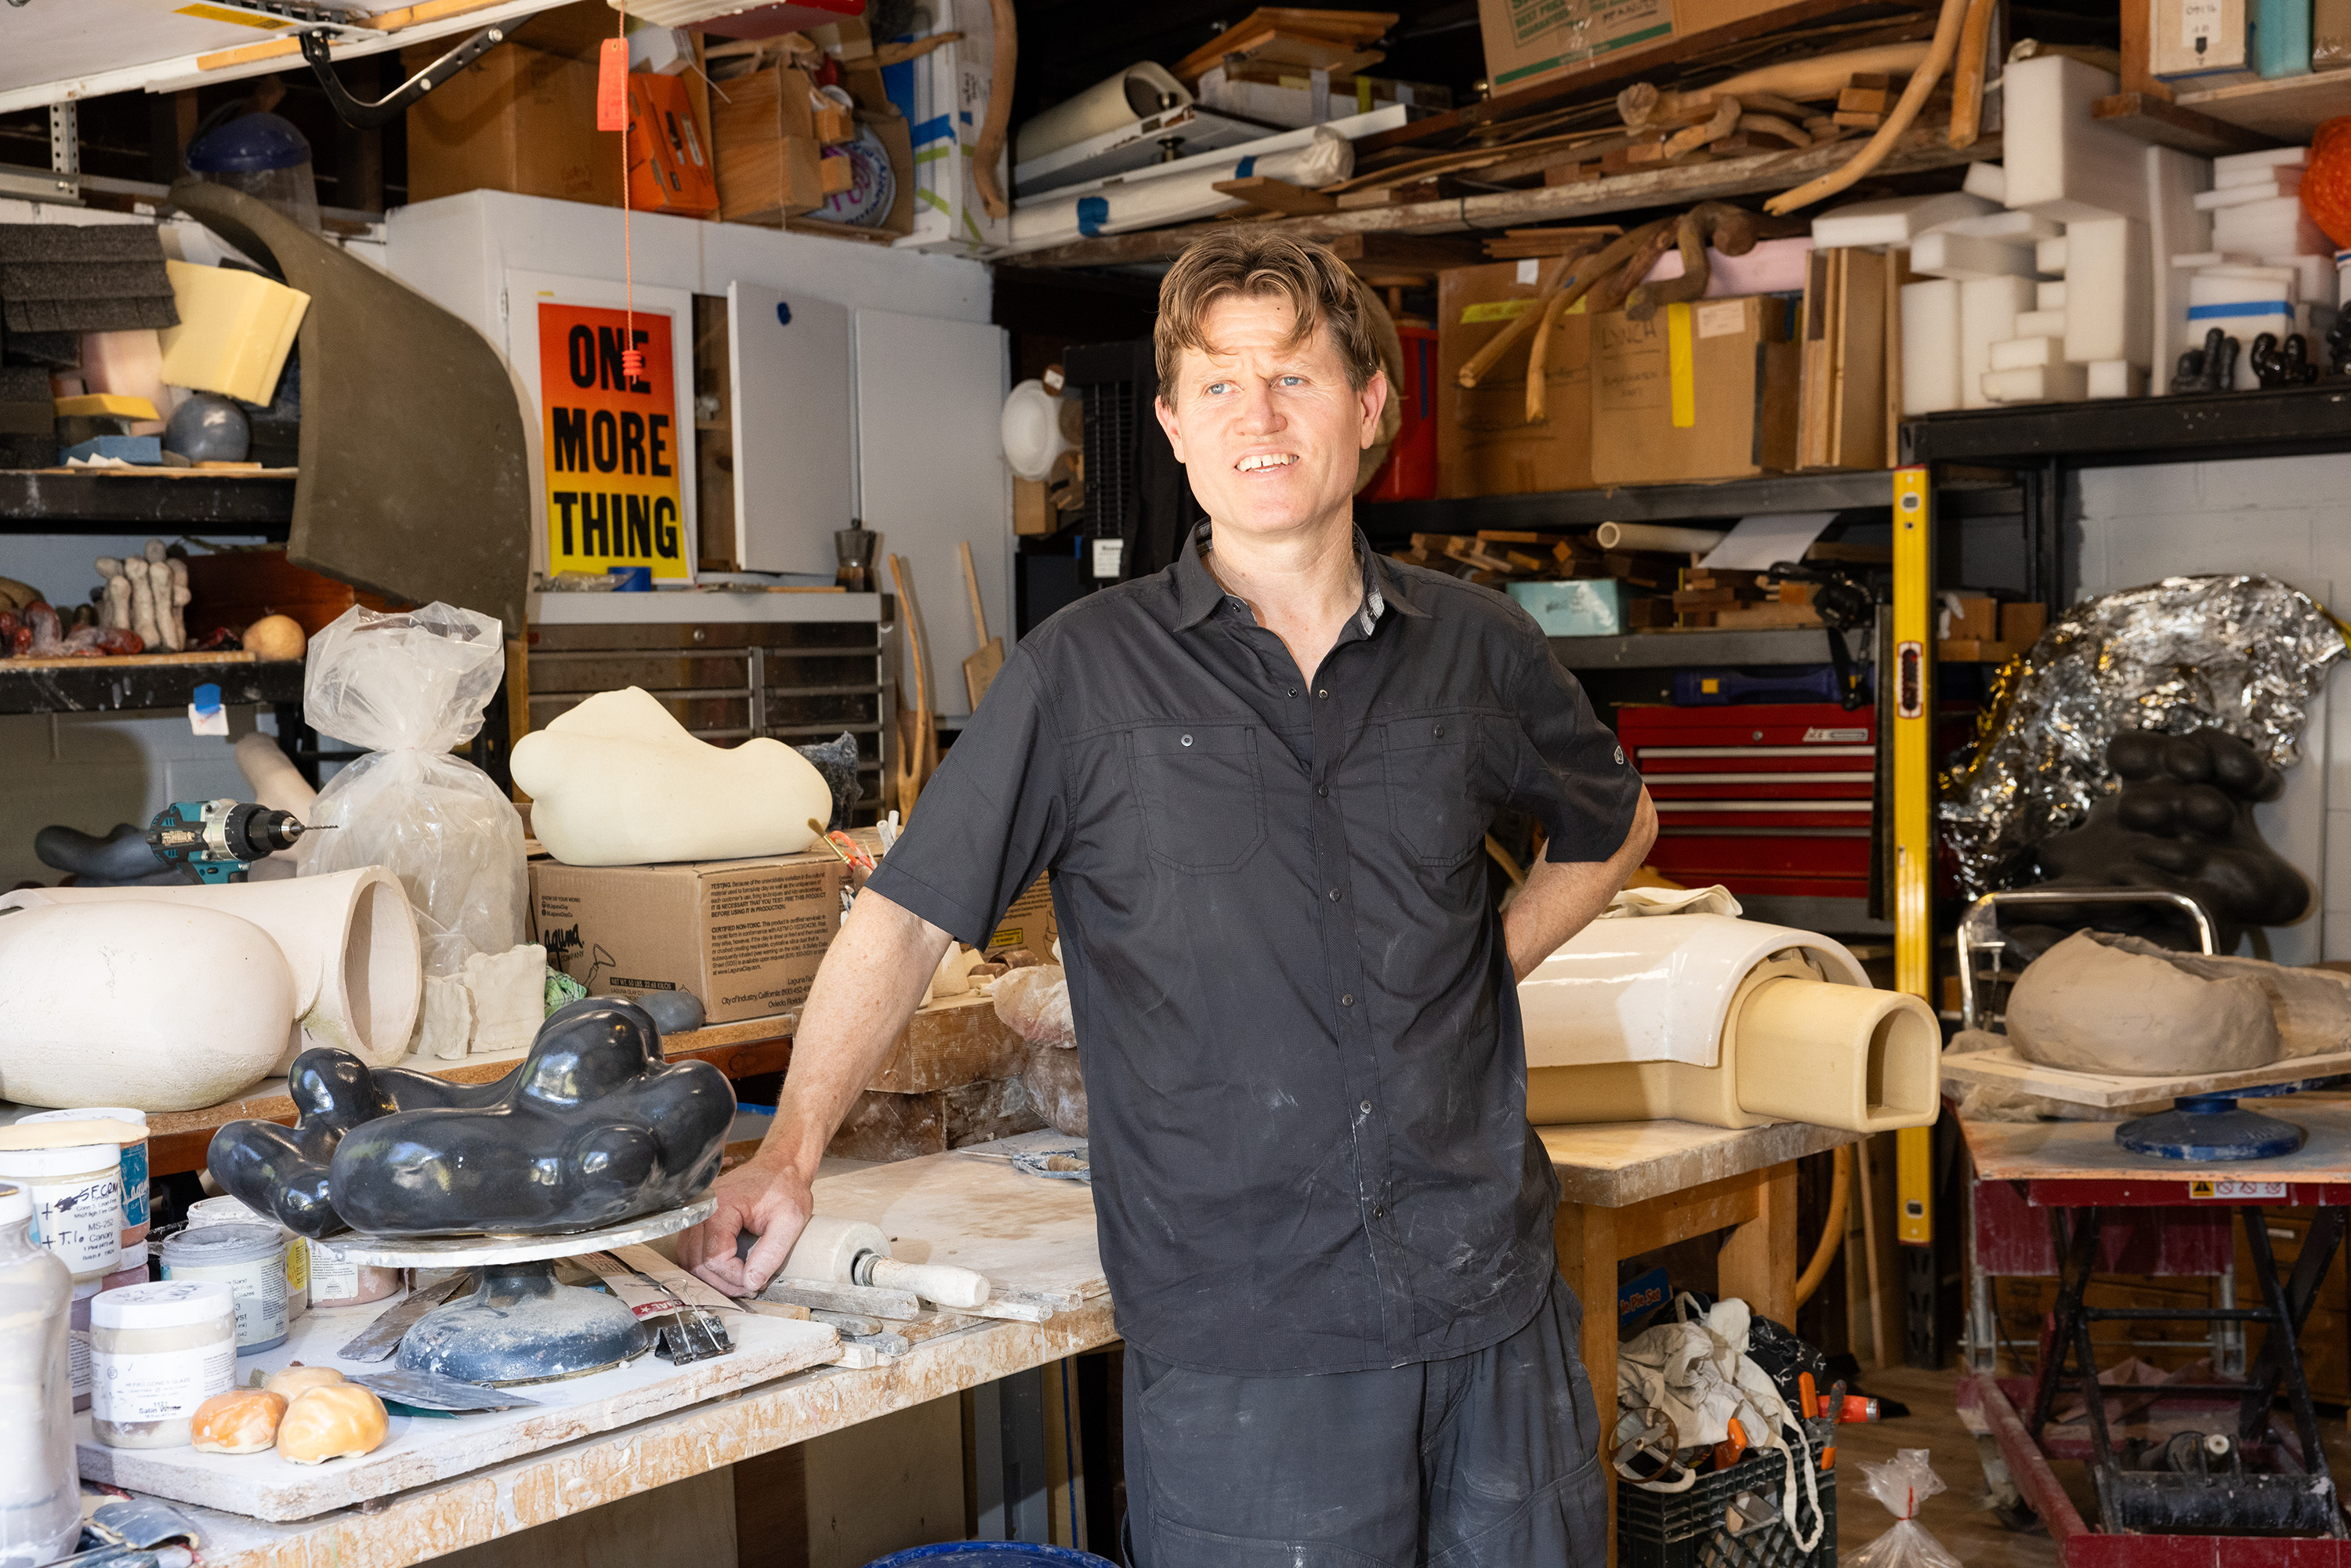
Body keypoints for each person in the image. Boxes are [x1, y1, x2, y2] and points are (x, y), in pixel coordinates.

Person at [681, 229, 1657, 1564]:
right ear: (1173, 429)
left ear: (1369, 408)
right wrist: (786, 1153)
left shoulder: (1477, 650)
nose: (1257, 414)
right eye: (1218, 384)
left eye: (1296, 378)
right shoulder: (1082, 680)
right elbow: (905, 917)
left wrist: (1480, 964)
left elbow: (1617, 821)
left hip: (1492, 1313)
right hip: (1247, 1353)